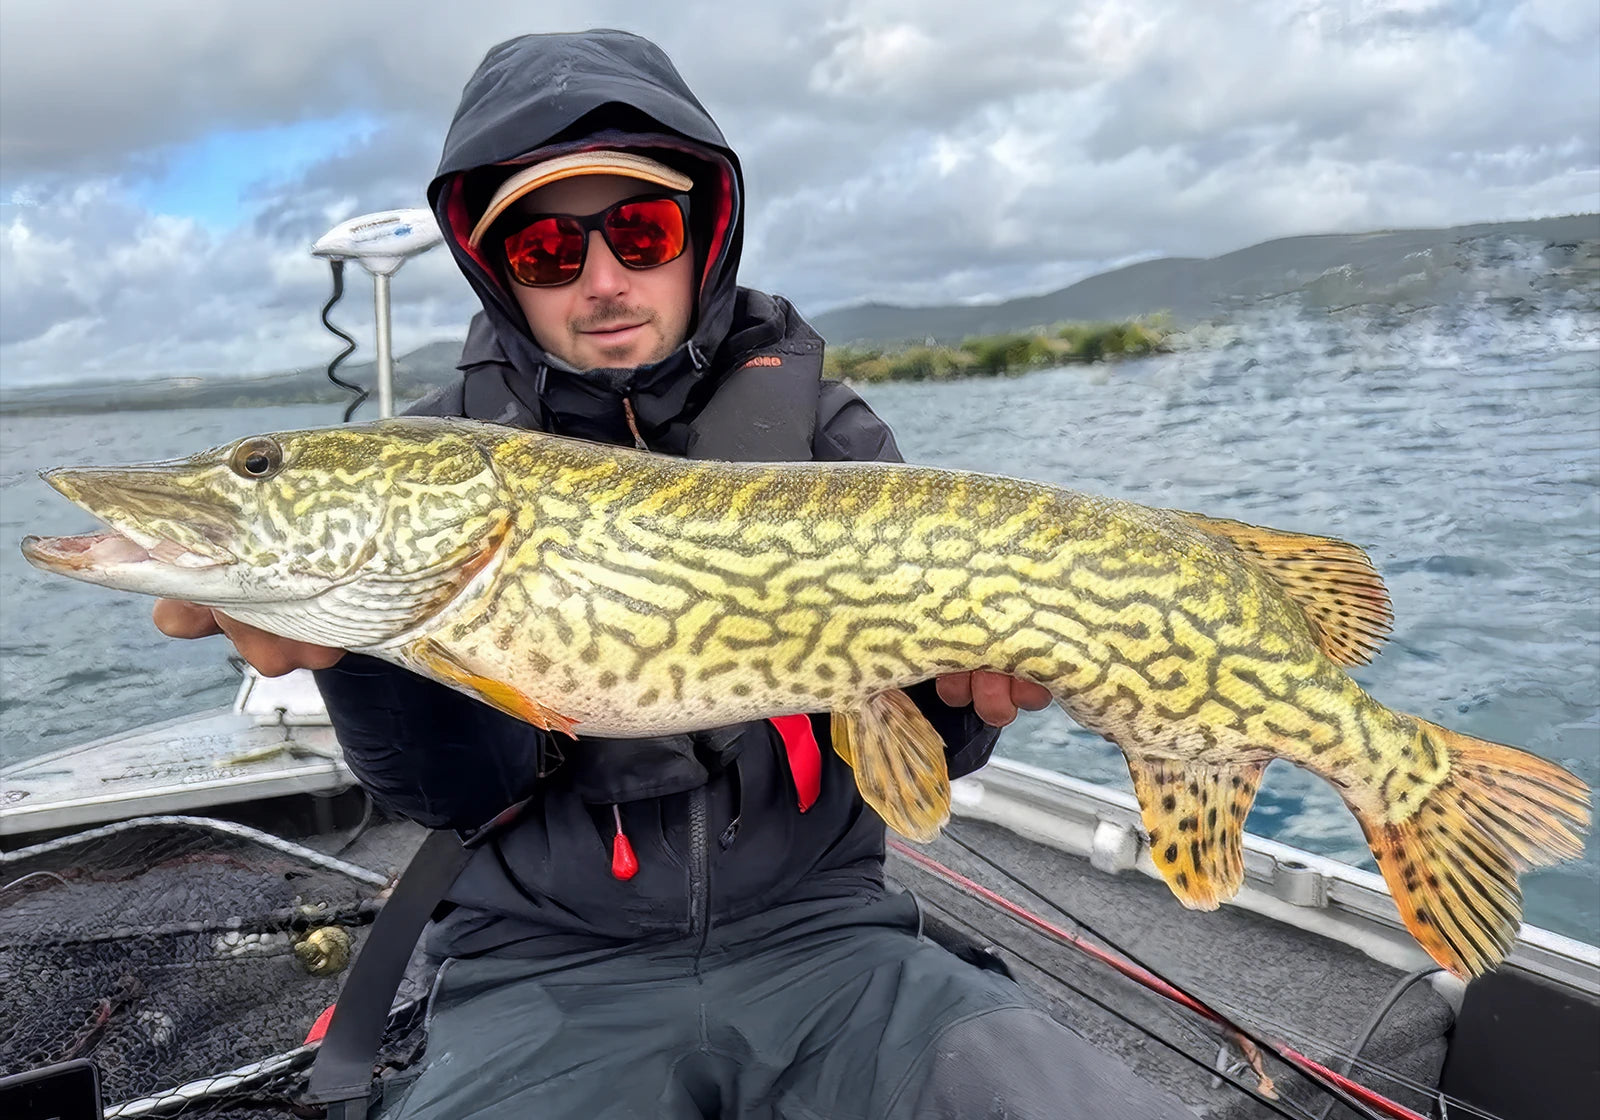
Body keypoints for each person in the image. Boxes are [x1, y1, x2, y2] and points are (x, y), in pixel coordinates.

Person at [156, 30, 1194, 1120]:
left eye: (641, 231)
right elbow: (447, 794)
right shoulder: (437, 458)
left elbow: (930, 751)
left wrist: (956, 702)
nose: (604, 280)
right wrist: (359, 649)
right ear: (498, 271)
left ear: (704, 234)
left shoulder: (826, 437)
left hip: (832, 940)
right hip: (543, 971)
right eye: (548, 251)